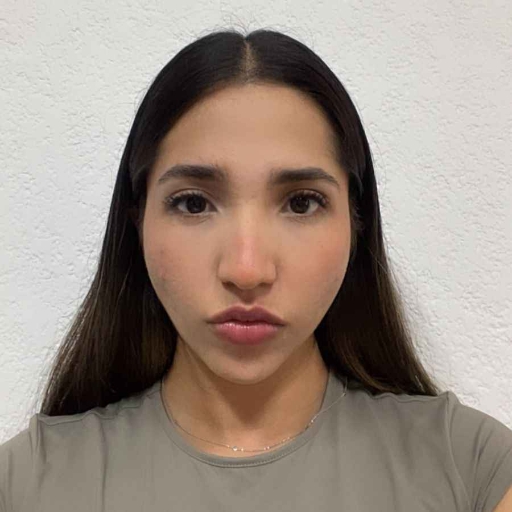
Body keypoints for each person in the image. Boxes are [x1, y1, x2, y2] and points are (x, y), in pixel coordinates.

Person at [1, 28, 511, 512]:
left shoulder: (473, 471)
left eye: (302, 203)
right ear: (138, 221)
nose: (247, 271)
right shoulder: (25, 484)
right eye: (194, 203)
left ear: (356, 222)